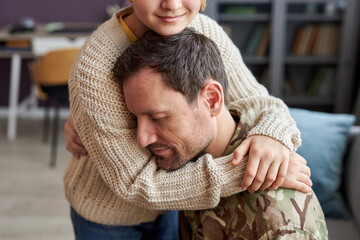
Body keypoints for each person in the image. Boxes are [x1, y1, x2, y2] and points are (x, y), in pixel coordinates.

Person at [64, 1, 311, 239]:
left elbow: (258, 101)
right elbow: (136, 184)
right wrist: (248, 171)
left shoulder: (204, 30)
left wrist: (272, 136)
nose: (172, 4)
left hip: (182, 202)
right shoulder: (94, 68)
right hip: (109, 218)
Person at [113, 28, 328, 239]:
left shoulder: (280, 226)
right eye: (136, 118)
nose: (142, 139)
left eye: (159, 118)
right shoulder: (190, 155)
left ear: (212, 100)